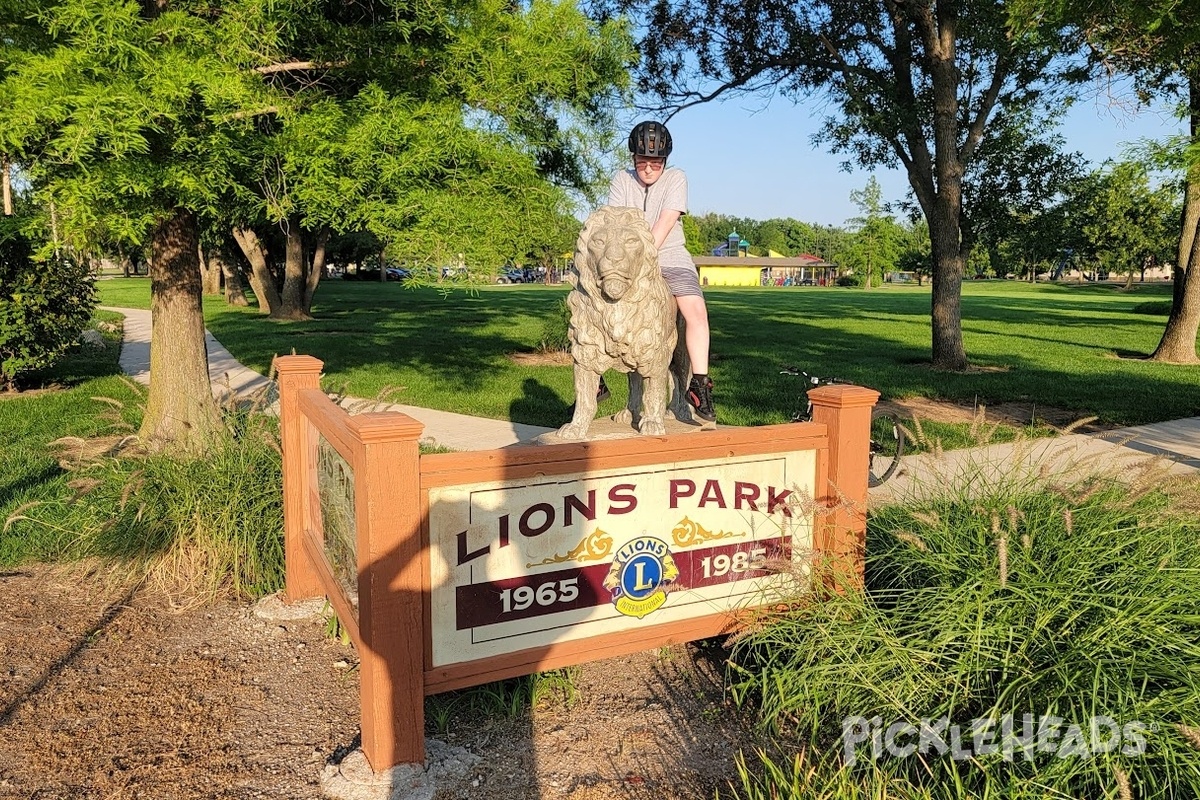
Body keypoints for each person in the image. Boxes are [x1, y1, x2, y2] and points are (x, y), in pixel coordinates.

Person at [598, 120, 715, 421]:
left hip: (670, 256)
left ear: (665, 161)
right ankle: (594, 375)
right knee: (591, 299)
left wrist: (645, 255)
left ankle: (698, 385)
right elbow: (616, 223)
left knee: (696, 313)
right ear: (633, 158)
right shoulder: (621, 181)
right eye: (643, 162)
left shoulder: (677, 178)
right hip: (629, 260)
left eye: (655, 163)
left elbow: (666, 221)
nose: (649, 169)